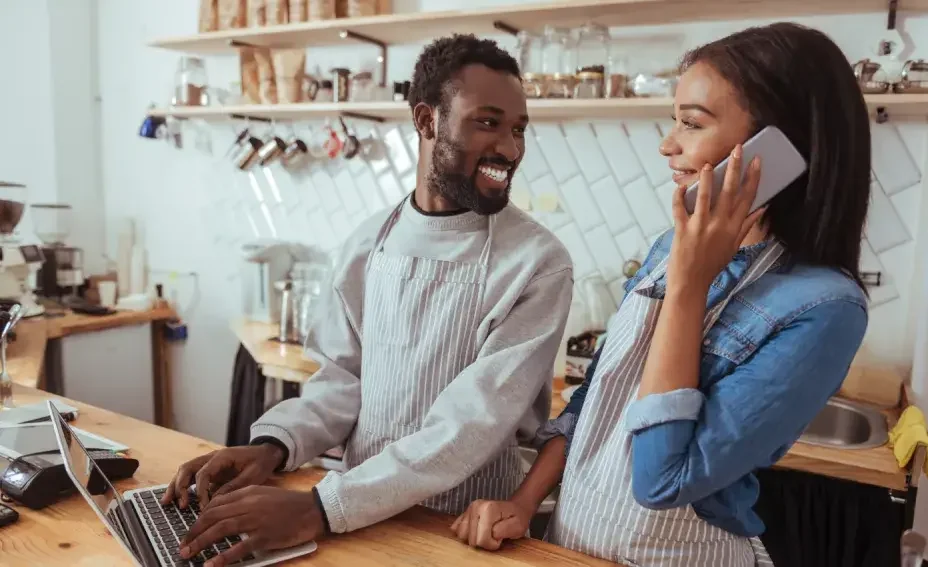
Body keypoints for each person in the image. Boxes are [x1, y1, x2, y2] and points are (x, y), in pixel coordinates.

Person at [451, 22, 871, 566]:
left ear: (779, 148)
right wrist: (525, 501)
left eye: (692, 124)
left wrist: (690, 286)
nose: (668, 144)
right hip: (572, 545)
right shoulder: (669, 246)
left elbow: (662, 478)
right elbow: (595, 398)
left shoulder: (825, 308)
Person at [164, 34, 574, 565]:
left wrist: (318, 508)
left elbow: (467, 428)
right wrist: (274, 447)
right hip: (357, 522)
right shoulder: (369, 242)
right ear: (427, 121)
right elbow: (341, 381)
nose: (511, 149)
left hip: (466, 533)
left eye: (518, 129)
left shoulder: (538, 262)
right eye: (488, 122)